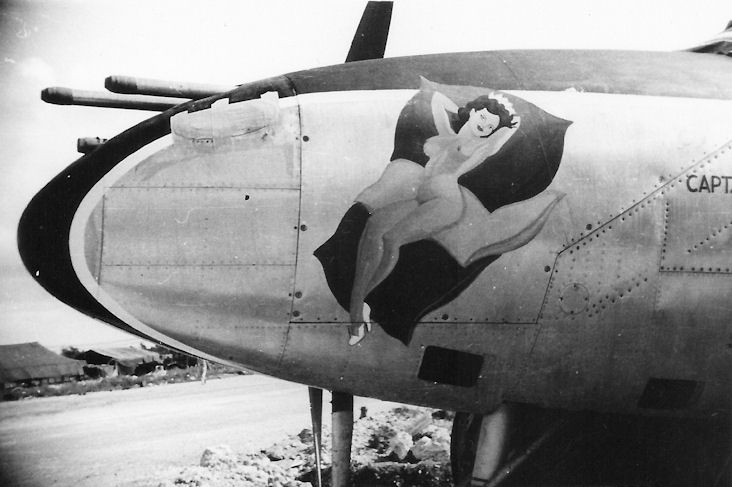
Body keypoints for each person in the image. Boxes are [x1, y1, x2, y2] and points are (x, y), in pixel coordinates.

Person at [347, 90, 520, 345]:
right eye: (483, 117)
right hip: (424, 198)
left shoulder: (480, 148)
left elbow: (506, 134)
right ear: (472, 112)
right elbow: (437, 99)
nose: (485, 126)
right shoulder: (447, 134)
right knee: (373, 225)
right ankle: (357, 305)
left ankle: (364, 305)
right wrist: (467, 106)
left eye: (490, 126)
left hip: (446, 203)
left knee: (391, 239)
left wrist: (505, 117)